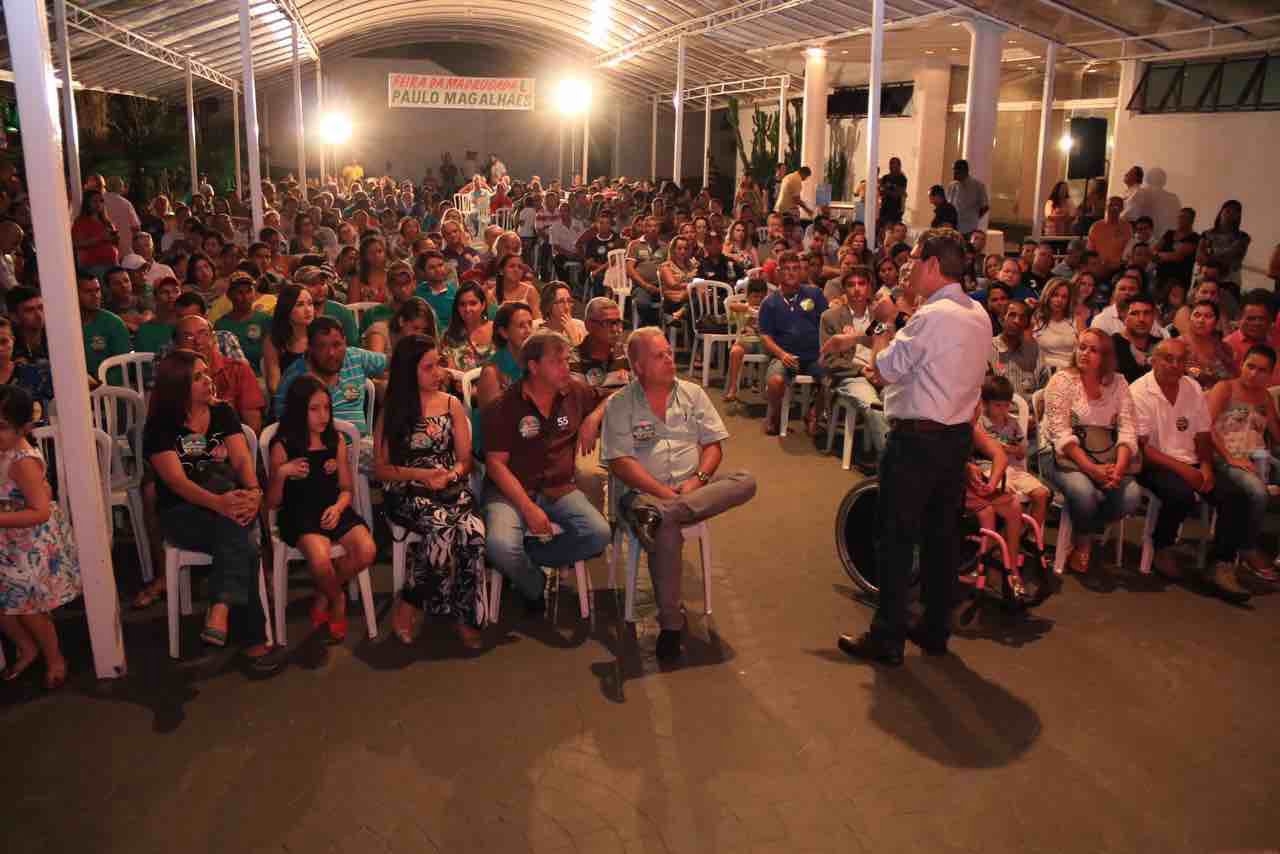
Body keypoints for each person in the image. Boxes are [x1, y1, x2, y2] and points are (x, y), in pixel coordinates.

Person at [837, 229, 992, 666]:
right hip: (955, 438)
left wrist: (885, 321)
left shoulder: (934, 315)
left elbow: (883, 368)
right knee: (941, 537)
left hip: (918, 439)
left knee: (896, 537)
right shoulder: (979, 313)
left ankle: (888, 637)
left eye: (915, 261)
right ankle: (934, 628)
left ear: (933, 266)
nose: (909, 270)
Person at [603, 328, 757, 658]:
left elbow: (713, 445)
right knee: (667, 529)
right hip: (642, 494)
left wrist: (698, 480)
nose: (670, 359)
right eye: (659, 356)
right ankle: (672, 625)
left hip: (692, 488)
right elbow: (620, 463)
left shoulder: (693, 394)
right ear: (639, 366)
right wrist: (662, 494)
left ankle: (663, 515)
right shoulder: (620, 404)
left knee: (745, 480)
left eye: (670, 352)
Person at [143, 350, 283, 673]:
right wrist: (223, 503)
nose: (208, 381)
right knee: (242, 535)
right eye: (197, 377)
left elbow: (242, 462)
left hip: (228, 506)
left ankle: (221, 609)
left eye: (207, 374)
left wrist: (253, 492)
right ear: (178, 385)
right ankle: (252, 641)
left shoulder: (222, 413)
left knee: (234, 520)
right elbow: (177, 483)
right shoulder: (159, 427)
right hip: (183, 512)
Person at [481, 330, 612, 609]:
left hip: (558, 488)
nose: (567, 367)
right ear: (533, 366)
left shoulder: (574, 391)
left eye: (567, 360)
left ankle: (527, 557)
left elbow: (614, 396)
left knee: (599, 534)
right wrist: (528, 508)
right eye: (558, 362)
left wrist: (592, 419)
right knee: (500, 546)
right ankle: (533, 583)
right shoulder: (504, 406)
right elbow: (495, 465)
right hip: (511, 490)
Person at [375, 334, 488, 645]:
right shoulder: (394, 409)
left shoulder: (451, 404)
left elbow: (465, 460)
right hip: (407, 488)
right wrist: (422, 475)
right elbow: (381, 468)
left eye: (438, 364)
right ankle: (412, 601)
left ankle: (465, 614)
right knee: (440, 528)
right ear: (409, 371)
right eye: (428, 367)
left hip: (448, 485)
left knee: (473, 532)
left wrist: (450, 474)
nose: (438, 372)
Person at [1132, 339, 1252, 602]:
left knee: (1236, 496)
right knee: (1181, 494)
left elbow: (1202, 433)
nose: (1175, 366)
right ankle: (1162, 546)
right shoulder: (1139, 390)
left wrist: (1207, 466)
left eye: (1181, 360)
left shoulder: (1192, 387)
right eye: (1168, 359)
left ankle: (1220, 563)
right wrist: (1186, 471)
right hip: (1154, 461)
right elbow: (1142, 449)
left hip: (1192, 459)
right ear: (1154, 360)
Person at [266, 374, 375, 643]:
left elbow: (347, 489)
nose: (323, 415)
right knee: (320, 560)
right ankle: (336, 598)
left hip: (333, 508)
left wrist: (338, 508)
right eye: (314, 409)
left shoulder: (334, 440)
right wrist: (282, 473)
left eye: (326, 407)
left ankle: (323, 593)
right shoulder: (283, 444)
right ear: (299, 410)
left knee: (367, 550)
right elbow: (271, 503)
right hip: (300, 513)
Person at [1038, 328, 1140, 575]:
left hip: (1106, 455)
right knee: (1085, 493)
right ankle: (1084, 540)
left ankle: (1084, 527)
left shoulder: (1119, 383)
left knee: (1132, 496)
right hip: (1060, 454)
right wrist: (1092, 470)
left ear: (1106, 356)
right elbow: (1061, 435)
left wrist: (1119, 468)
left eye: (1093, 350)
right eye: (1082, 347)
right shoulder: (1062, 381)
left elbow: (1128, 430)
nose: (1084, 353)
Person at [0, 385, 79, 689]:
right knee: (6, 607)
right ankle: (26, 647)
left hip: (27, 544)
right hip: (8, 542)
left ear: (24, 427)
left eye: (3, 427)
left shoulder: (22, 461)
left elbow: (40, 511)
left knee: (31, 610)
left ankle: (54, 657)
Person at [1207, 343, 1280, 585]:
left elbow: (1276, 434)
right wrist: (1229, 457)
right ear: (1242, 364)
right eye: (1250, 366)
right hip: (1225, 457)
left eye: (1261, 370)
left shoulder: (1266, 396)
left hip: (1257, 457)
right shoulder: (1225, 388)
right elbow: (1206, 428)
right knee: (1257, 491)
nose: (1254, 374)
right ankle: (1248, 546)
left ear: (1270, 374)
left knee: (1262, 481)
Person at [275, 316, 388, 436]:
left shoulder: (355, 357)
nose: (331, 353)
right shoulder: (294, 377)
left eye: (337, 344)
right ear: (310, 347)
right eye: (322, 346)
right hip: (316, 451)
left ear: (345, 341)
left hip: (361, 446)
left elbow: (398, 361)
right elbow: (283, 425)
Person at [758, 251, 828, 436]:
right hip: (785, 356)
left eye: (795, 269)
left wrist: (825, 352)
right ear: (779, 273)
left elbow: (827, 324)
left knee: (831, 380)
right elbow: (765, 336)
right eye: (786, 269)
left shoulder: (815, 294)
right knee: (775, 381)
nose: (791, 273)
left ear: (801, 272)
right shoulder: (769, 302)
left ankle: (813, 415)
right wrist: (781, 354)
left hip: (814, 355)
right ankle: (775, 415)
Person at [979, 375, 1051, 533]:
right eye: (998, 405)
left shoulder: (1012, 423)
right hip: (991, 470)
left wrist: (1013, 449)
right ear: (985, 404)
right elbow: (980, 451)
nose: (1003, 410)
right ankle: (1006, 536)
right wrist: (997, 448)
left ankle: (1029, 536)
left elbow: (1022, 452)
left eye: (1006, 405)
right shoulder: (980, 423)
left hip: (1014, 469)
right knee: (1007, 495)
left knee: (1042, 493)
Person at [476, 302, 534, 409]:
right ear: (504, 333)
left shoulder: (536, 361)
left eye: (530, 324)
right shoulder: (492, 372)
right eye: (521, 326)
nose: (528, 331)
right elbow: (492, 419)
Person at [77, 271, 130, 385]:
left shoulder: (114, 324)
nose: (95, 295)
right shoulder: (67, 326)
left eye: (97, 290)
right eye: (88, 291)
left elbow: (122, 368)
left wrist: (98, 386)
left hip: (110, 394)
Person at [263, 284, 315, 399]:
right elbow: (274, 386)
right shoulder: (273, 339)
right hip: (287, 399)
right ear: (286, 309)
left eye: (310, 303)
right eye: (300, 305)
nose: (308, 310)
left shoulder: (320, 334)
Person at [213, 272, 272, 375]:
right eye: (239, 292)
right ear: (229, 295)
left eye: (249, 291)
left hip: (261, 378)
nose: (245, 297)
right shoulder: (221, 325)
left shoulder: (265, 320)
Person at [990, 300, 1049, 396]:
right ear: (1001, 320)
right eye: (1012, 315)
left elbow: (1044, 388)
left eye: (1022, 317)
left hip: (1030, 409)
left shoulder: (1034, 350)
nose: (1017, 321)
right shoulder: (989, 349)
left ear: (1027, 323)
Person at [724, 278, 770, 404]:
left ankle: (766, 386)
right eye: (755, 296)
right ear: (748, 296)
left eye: (762, 297)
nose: (759, 300)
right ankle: (733, 386)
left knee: (774, 353)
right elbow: (731, 305)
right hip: (745, 341)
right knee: (735, 352)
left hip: (763, 343)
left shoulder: (768, 309)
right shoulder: (744, 308)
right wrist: (747, 308)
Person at [1224, 290, 1280, 385]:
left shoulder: (1276, 339)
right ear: (1239, 318)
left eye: (1261, 319)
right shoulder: (1226, 346)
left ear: (1271, 321)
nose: (1256, 323)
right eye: (1251, 318)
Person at [1196, 200, 1251, 296]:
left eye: (1235, 212)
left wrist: (1210, 258)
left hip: (1229, 282)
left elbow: (1230, 258)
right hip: (1205, 278)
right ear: (1221, 212)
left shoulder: (1243, 237)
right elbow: (1199, 257)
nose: (1230, 215)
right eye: (1228, 211)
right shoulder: (1207, 234)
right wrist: (1212, 262)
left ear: (1238, 216)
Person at [1181, 300, 1237, 390]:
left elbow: (1234, 377)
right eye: (1197, 315)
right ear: (1190, 318)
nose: (1201, 320)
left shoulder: (1224, 348)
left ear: (1216, 322)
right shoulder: (1178, 345)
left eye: (1208, 316)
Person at [575, 297, 630, 388]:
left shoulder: (629, 357)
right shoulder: (571, 360)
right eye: (607, 323)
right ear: (588, 325)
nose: (616, 330)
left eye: (618, 322)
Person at [297, 265, 359, 346]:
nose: (320, 288)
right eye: (313, 284)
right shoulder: (292, 314)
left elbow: (354, 347)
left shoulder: (342, 312)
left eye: (323, 283)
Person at [442, 282, 495, 371]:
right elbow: (451, 373)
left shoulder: (496, 329)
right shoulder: (449, 336)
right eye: (462, 304)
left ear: (483, 305)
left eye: (473, 303)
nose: (467, 309)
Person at [1112, 291, 1160, 384]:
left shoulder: (1160, 345)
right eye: (1135, 313)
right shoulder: (1111, 345)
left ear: (1154, 316)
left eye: (1147, 313)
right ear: (1124, 317)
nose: (1141, 319)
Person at [71, 189, 120, 277]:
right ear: (87, 203)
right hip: (94, 265)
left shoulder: (106, 221)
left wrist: (114, 238)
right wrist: (100, 238)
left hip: (112, 263)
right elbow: (77, 243)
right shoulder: (81, 222)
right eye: (94, 201)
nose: (98, 204)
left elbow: (114, 241)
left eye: (101, 201)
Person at [1033, 277, 1077, 370]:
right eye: (1055, 295)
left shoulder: (1076, 320)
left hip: (1070, 369)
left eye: (1064, 297)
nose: (1059, 300)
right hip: (1044, 370)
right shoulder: (1035, 319)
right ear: (1047, 295)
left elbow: (1082, 349)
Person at [1088, 196, 1133, 280]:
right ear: (1106, 207)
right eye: (1111, 205)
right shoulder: (1096, 227)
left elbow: (1129, 250)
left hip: (1119, 269)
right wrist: (1100, 265)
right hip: (1099, 269)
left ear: (1122, 209)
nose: (1113, 208)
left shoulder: (1127, 227)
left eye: (1117, 206)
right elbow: (1090, 252)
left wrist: (1119, 263)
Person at [1155, 207, 1199, 289]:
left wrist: (1159, 255)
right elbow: (1153, 251)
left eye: (1184, 217)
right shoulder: (1169, 233)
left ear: (1191, 220)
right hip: (1161, 277)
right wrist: (1161, 255)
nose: (1180, 220)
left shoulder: (1195, 238)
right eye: (1179, 217)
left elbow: (1177, 257)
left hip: (1180, 279)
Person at [414, 249, 458, 330]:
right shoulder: (417, 294)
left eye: (440, 265)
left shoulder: (455, 293)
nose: (438, 270)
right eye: (432, 267)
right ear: (423, 272)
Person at [489, 253, 541, 320]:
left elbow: (538, 320)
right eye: (512, 266)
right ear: (501, 271)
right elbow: (491, 320)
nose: (516, 270)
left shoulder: (530, 291)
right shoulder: (492, 293)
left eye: (520, 267)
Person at [945, 159, 989, 235]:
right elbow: (948, 205)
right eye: (953, 170)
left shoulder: (978, 186)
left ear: (964, 171)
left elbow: (985, 206)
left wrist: (974, 217)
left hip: (969, 228)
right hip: (952, 229)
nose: (953, 173)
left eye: (956, 170)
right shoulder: (951, 186)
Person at [538, 282, 587, 347]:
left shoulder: (580, 326)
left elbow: (582, 357)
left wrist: (573, 336)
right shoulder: (540, 335)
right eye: (561, 302)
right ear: (548, 305)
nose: (567, 307)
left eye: (569, 301)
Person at [347, 234, 389, 305]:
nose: (376, 256)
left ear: (385, 253)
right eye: (371, 253)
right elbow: (353, 309)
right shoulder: (356, 280)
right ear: (364, 256)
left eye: (379, 251)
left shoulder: (392, 275)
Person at [879, 158, 908, 226]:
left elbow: (899, 193)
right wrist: (890, 190)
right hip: (884, 208)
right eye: (891, 163)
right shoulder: (885, 177)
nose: (893, 166)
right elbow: (881, 191)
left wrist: (887, 190)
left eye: (895, 164)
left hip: (896, 209)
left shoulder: (902, 178)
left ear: (899, 165)